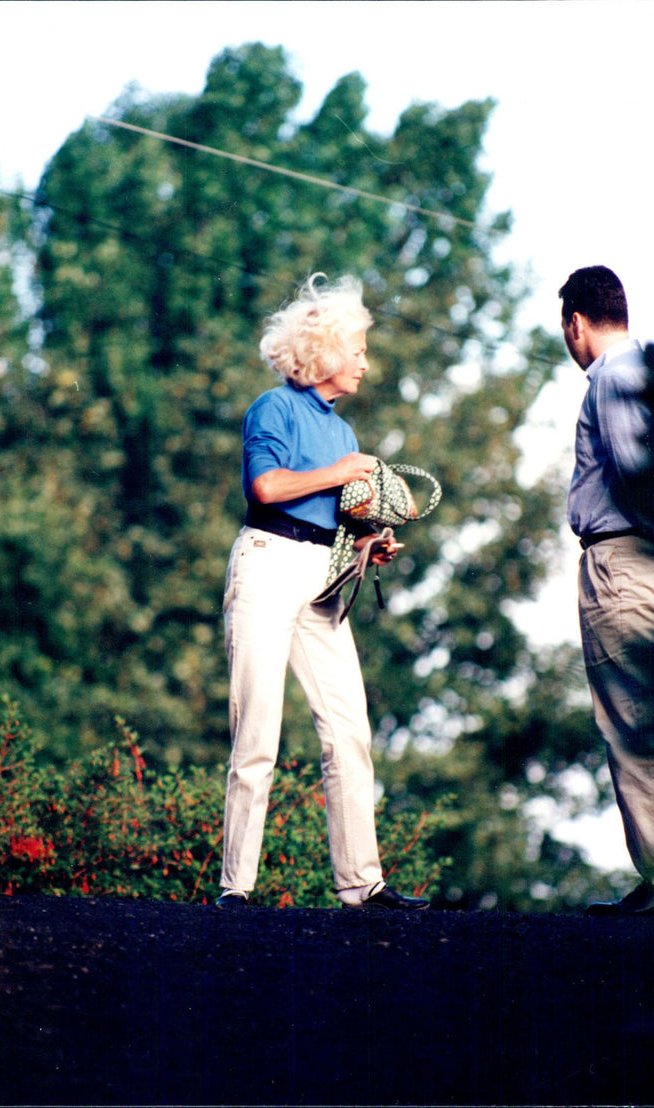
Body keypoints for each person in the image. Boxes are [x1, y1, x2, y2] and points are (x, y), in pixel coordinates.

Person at [217, 273, 430, 910]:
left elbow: (340, 522)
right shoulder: (274, 407)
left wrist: (373, 542)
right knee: (257, 733)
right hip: (266, 561)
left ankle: (361, 883)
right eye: (359, 347)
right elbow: (267, 489)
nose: (366, 361)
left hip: (323, 576)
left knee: (349, 731)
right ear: (328, 350)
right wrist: (339, 476)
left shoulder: (344, 434)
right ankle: (237, 887)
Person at [559, 265, 654, 915]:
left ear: (576, 322)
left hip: (628, 565)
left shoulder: (609, 378)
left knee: (636, 724)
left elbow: (638, 473)